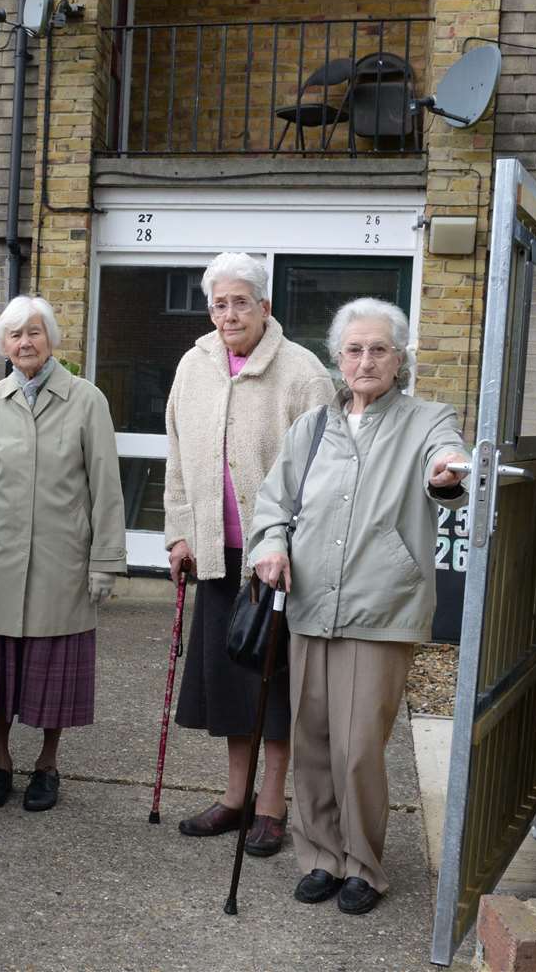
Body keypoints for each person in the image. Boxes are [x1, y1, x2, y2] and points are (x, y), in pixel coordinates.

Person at [248, 297, 468, 915]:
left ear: (400, 359)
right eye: (354, 349)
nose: (366, 359)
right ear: (337, 358)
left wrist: (448, 471)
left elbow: (443, 460)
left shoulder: (428, 419)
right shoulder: (313, 427)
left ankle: (364, 865)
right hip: (309, 603)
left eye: (379, 349)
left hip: (381, 606)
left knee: (358, 746)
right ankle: (320, 854)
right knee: (312, 739)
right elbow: (274, 503)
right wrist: (269, 547)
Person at [163, 252, 335, 855]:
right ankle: (235, 799)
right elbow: (178, 456)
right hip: (216, 555)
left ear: (266, 306)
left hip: (277, 564)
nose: (228, 313)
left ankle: (272, 803)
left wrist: (287, 544)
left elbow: (322, 472)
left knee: (274, 688)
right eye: (219, 303)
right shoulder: (194, 365)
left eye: (241, 302)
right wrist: (180, 533)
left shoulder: (303, 373)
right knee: (233, 686)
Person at [0, 295, 126, 812]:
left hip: (62, 563)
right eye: (14, 335)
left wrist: (105, 560)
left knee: (53, 673)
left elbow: (106, 486)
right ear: (3, 346)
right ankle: (1, 762)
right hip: (3, 561)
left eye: (34, 331)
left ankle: (48, 765)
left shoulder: (86, 399)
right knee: (0, 674)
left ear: (50, 338)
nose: (25, 342)